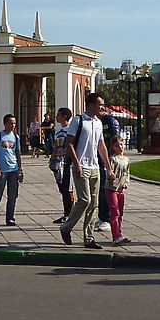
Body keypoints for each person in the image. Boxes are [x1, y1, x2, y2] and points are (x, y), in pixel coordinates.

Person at [60, 93, 116, 249]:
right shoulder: (79, 120)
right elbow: (69, 143)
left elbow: (101, 146)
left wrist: (109, 167)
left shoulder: (98, 122)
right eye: (100, 104)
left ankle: (89, 238)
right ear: (90, 104)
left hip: (95, 167)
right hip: (81, 166)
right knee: (85, 201)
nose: (102, 107)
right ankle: (66, 228)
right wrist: (77, 165)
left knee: (94, 204)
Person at [95, 102, 121, 233]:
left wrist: (111, 160)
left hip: (108, 161)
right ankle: (103, 216)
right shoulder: (96, 121)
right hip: (99, 159)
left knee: (107, 189)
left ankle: (108, 219)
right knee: (100, 190)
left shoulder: (110, 122)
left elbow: (115, 141)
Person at [49, 107, 74, 224]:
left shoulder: (71, 130)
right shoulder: (58, 130)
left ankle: (70, 214)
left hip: (67, 163)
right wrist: (54, 154)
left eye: (58, 114)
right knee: (62, 188)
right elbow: (56, 145)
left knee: (67, 189)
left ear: (64, 116)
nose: (56, 116)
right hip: (58, 163)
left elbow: (71, 146)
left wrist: (63, 153)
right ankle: (66, 213)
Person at [105, 137, 131, 246]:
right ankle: (116, 235)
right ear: (113, 147)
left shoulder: (126, 160)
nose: (120, 147)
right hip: (112, 189)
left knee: (120, 212)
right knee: (115, 211)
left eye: (121, 144)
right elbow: (109, 172)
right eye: (117, 145)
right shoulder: (113, 159)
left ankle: (119, 232)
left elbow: (127, 173)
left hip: (121, 189)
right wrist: (111, 176)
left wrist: (126, 182)